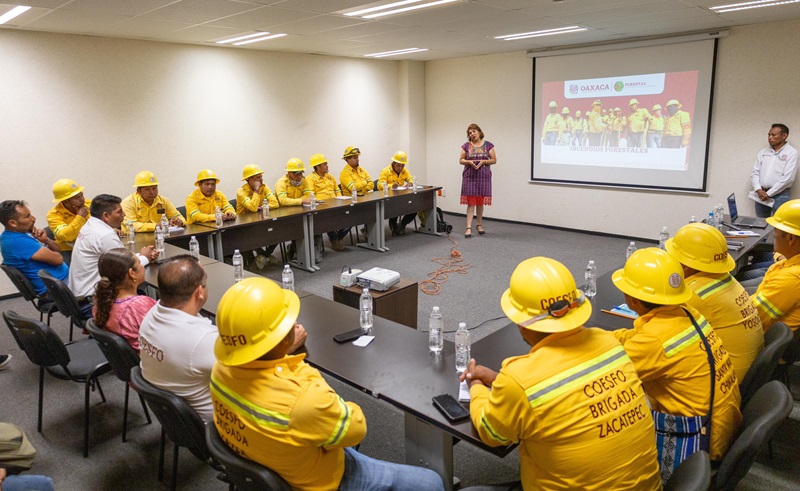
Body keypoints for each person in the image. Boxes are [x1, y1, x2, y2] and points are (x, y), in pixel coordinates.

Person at [209, 277, 444, 491]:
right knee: (431, 482)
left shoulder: (220, 371)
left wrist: (280, 353)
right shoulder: (304, 398)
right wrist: (293, 362)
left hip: (269, 465)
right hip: (318, 482)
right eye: (288, 319)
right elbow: (356, 427)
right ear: (280, 338)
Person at [460, 257, 660, 490]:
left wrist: (476, 386)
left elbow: (492, 433)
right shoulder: (611, 344)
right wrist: (498, 380)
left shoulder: (520, 378)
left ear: (521, 322)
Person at [611, 247, 742, 462]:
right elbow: (636, 336)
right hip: (724, 425)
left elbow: (609, 375)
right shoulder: (687, 312)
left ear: (632, 300)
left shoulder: (654, 341)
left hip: (699, 442)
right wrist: (601, 337)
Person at [665, 223, 764, 382]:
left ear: (685, 264)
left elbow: (661, 338)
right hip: (746, 372)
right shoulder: (723, 278)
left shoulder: (695, 294)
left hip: (725, 379)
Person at [138, 255, 217, 421]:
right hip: (212, 427)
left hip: (175, 419)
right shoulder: (203, 340)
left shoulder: (151, 315)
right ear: (199, 292)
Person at [69, 194, 158, 301]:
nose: (124, 215)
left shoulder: (90, 225)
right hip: (95, 299)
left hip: (81, 292)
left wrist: (143, 255)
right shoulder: (105, 235)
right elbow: (125, 267)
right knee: (143, 296)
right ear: (106, 216)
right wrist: (144, 258)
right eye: (119, 212)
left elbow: (119, 259)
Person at [0, 200, 68, 297]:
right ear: (13, 223)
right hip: (57, 288)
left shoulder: (14, 235)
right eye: (27, 216)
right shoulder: (18, 241)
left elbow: (58, 251)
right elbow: (59, 259)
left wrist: (46, 240)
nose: (33, 219)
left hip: (59, 283)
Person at [93, 248, 156, 352]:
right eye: (140, 263)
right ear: (132, 273)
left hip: (129, 362)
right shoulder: (139, 306)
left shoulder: (100, 302)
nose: (142, 266)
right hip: (150, 362)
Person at [751, 199, 800, 332]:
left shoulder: (791, 278)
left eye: (776, 231)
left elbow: (750, 319)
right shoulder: (790, 264)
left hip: (760, 338)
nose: (774, 235)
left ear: (790, 238)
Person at [236, 164, 280, 269]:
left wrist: (262, 207)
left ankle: (264, 256)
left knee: (279, 230)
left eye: (261, 177)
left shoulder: (264, 188)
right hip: (244, 225)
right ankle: (266, 255)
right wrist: (256, 191)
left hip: (261, 219)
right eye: (258, 178)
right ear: (249, 179)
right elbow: (252, 207)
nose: (261, 180)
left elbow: (275, 203)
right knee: (253, 236)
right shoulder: (241, 192)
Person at [750, 124, 797, 218]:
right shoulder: (764, 152)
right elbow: (755, 172)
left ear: (784, 136)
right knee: (761, 224)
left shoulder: (791, 153)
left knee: (779, 226)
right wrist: (758, 189)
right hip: (761, 194)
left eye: (773, 135)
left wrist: (769, 194)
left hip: (781, 195)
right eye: (769, 135)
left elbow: (788, 179)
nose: (770, 138)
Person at [459, 123, 496, 238]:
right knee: (471, 203)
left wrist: (484, 161)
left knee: (480, 202)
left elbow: (494, 160)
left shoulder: (488, 145)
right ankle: (468, 227)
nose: (472, 134)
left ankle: (479, 224)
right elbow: (461, 160)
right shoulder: (466, 146)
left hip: (483, 177)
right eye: (470, 133)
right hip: (470, 176)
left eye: (474, 131)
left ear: (479, 132)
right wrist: (469, 162)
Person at [308, 153, 348, 251]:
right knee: (328, 218)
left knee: (351, 216)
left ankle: (337, 237)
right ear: (318, 167)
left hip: (336, 204)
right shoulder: (310, 179)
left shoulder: (330, 177)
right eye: (324, 164)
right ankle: (334, 240)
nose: (327, 166)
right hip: (322, 207)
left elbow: (337, 191)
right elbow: (311, 196)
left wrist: (339, 200)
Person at [275, 158, 313, 260]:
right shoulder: (281, 183)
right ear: (289, 173)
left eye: (301, 173)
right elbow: (283, 201)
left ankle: (301, 249)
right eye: (296, 174)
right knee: (296, 229)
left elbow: (308, 196)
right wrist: (301, 201)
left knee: (312, 224)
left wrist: (295, 201)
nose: (299, 176)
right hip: (285, 214)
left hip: (301, 211)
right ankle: (295, 247)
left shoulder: (304, 180)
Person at [46, 178, 91, 257]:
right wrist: (80, 217)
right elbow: (67, 237)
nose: (82, 199)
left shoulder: (89, 204)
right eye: (77, 198)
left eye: (81, 195)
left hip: (91, 244)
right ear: (65, 201)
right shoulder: (53, 215)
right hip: (69, 249)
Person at [378, 151, 416, 236]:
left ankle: (402, 224)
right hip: (389, 199)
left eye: (402, 166)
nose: (400, 168)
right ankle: (394, 226)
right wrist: (391, 186)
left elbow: (410, 178)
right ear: (393, 163)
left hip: (400, 197)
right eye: (398, 165)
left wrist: (410, 182)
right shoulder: (385, 171)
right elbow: (379, 185)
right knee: (395, 208)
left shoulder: (404, 171)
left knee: (414, 207)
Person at [340, 146, 374, 241]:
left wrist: (362, 189)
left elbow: (371, 184)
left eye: (357, 157)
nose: (357, 159)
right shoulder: (344, 173)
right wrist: (364, 183)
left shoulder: (361, 169)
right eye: (355, 157)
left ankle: (368, 230)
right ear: (348, 159)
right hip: (351, 203)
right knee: (353, 219)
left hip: (364, 198)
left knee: (374, 210)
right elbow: (353, 188)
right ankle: (337, 238)